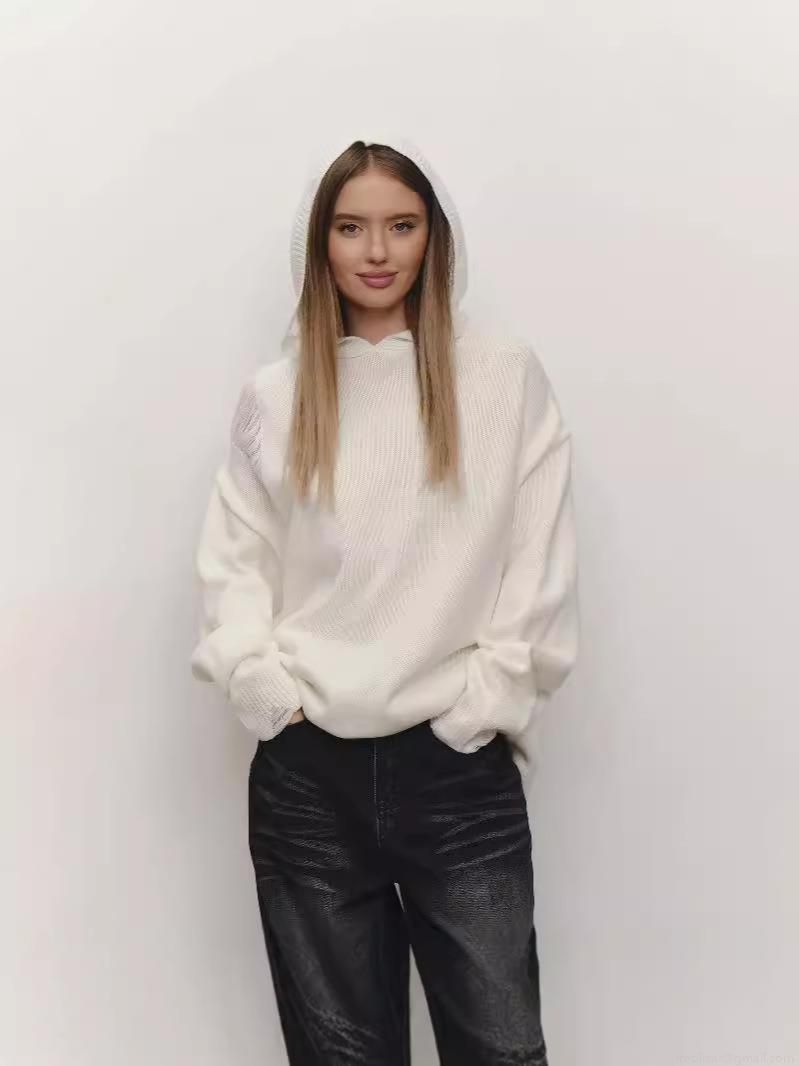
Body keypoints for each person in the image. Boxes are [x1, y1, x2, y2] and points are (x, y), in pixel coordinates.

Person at [190, 134, 580, 1066]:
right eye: (350, 227)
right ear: (319, 243)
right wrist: (265, 692)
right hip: (307, 777)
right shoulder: (276, 395)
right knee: (339, 1056)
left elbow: (539, 558)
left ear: (433, 237)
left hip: (456, 769)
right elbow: (234, 561)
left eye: (401, 226)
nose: (376, 251)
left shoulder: (502, 377)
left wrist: (484, 704)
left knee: (500, 1048)